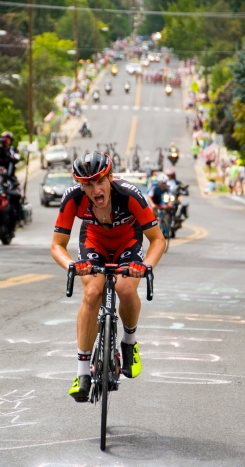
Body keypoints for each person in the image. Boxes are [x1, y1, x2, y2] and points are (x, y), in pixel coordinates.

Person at [51, 151, 165, 402]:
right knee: (92, 293)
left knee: (125, 289)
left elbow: (158, 240)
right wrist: (72, 265)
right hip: (94, 241)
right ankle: (82, 374)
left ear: (110, 178)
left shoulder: (129, 195)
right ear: (81, 185)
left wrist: (146, 266)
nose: (95, 189)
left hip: (128, 240)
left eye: (99, 181)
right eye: (87, 184)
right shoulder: (73, 198)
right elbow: (57, 245)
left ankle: (129, 342)